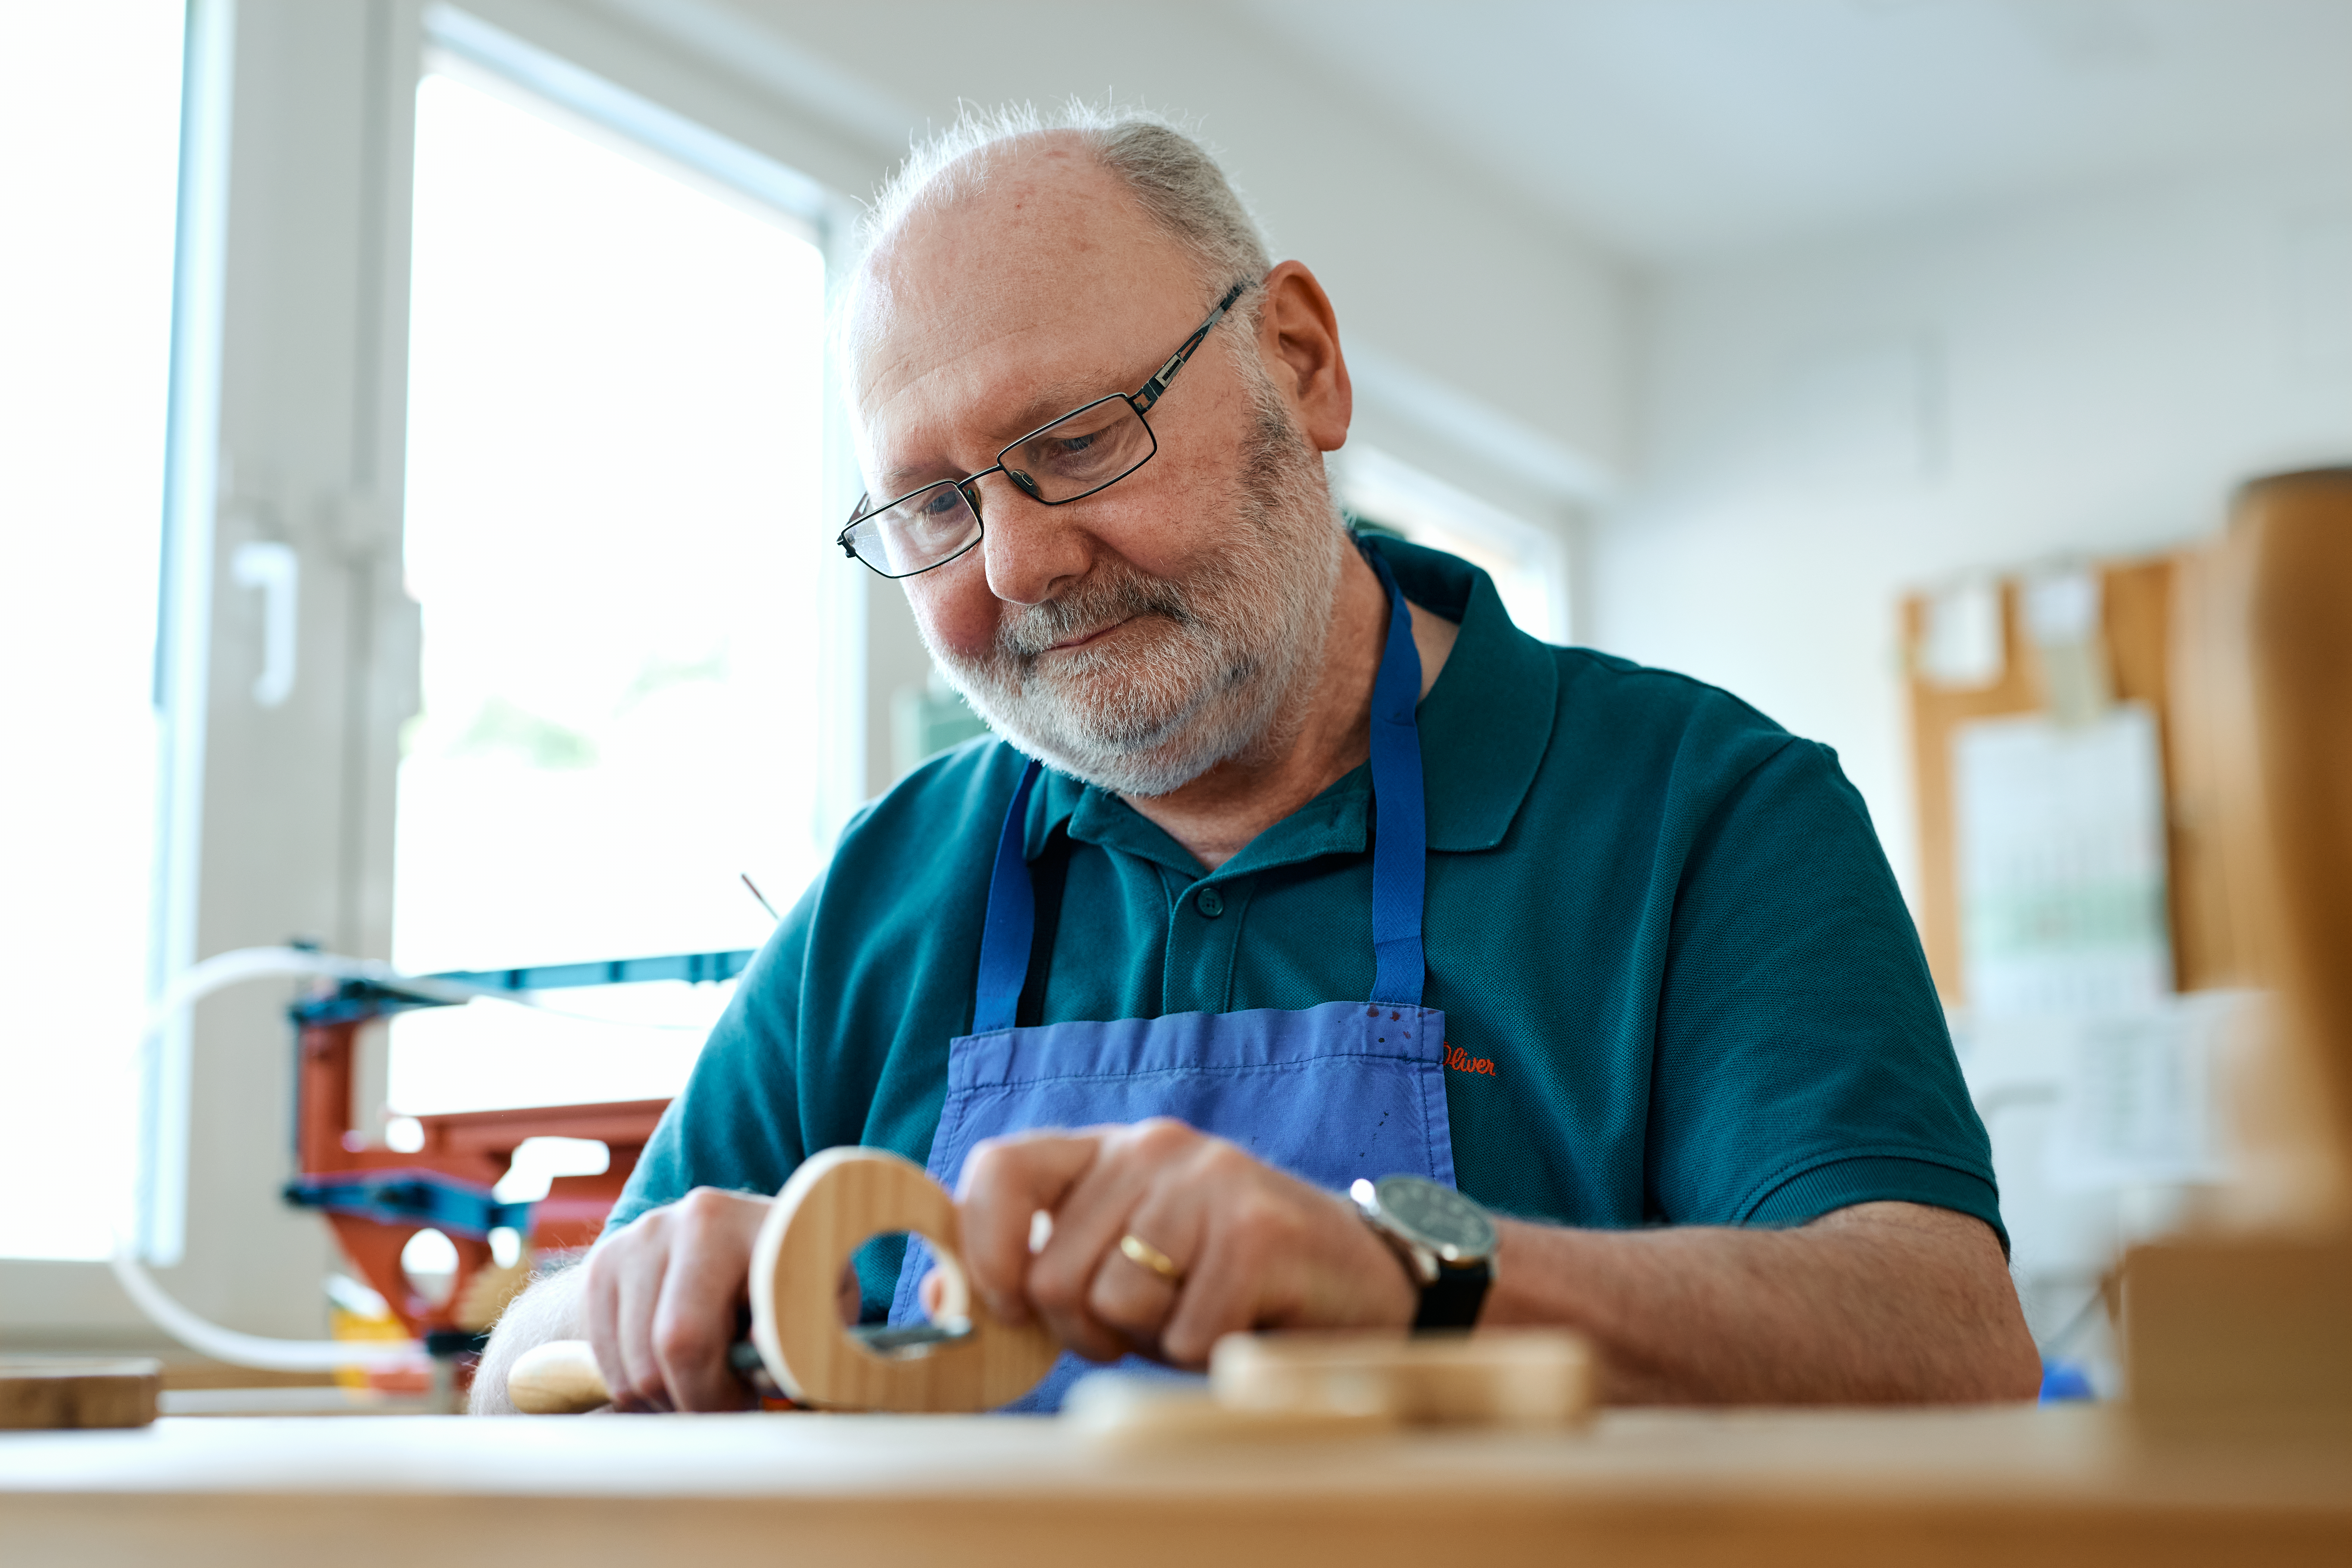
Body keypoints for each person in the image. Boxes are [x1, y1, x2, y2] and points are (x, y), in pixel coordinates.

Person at [474, 105, 2039, 1415]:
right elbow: (516, 1382)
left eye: (1081, 438)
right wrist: (628, 1303)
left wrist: (1421, 1272)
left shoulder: (1703, 811)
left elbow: (1947, 1344)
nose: (1017, 564)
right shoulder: (887, 893)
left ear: (1300, 362)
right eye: (935, 509)